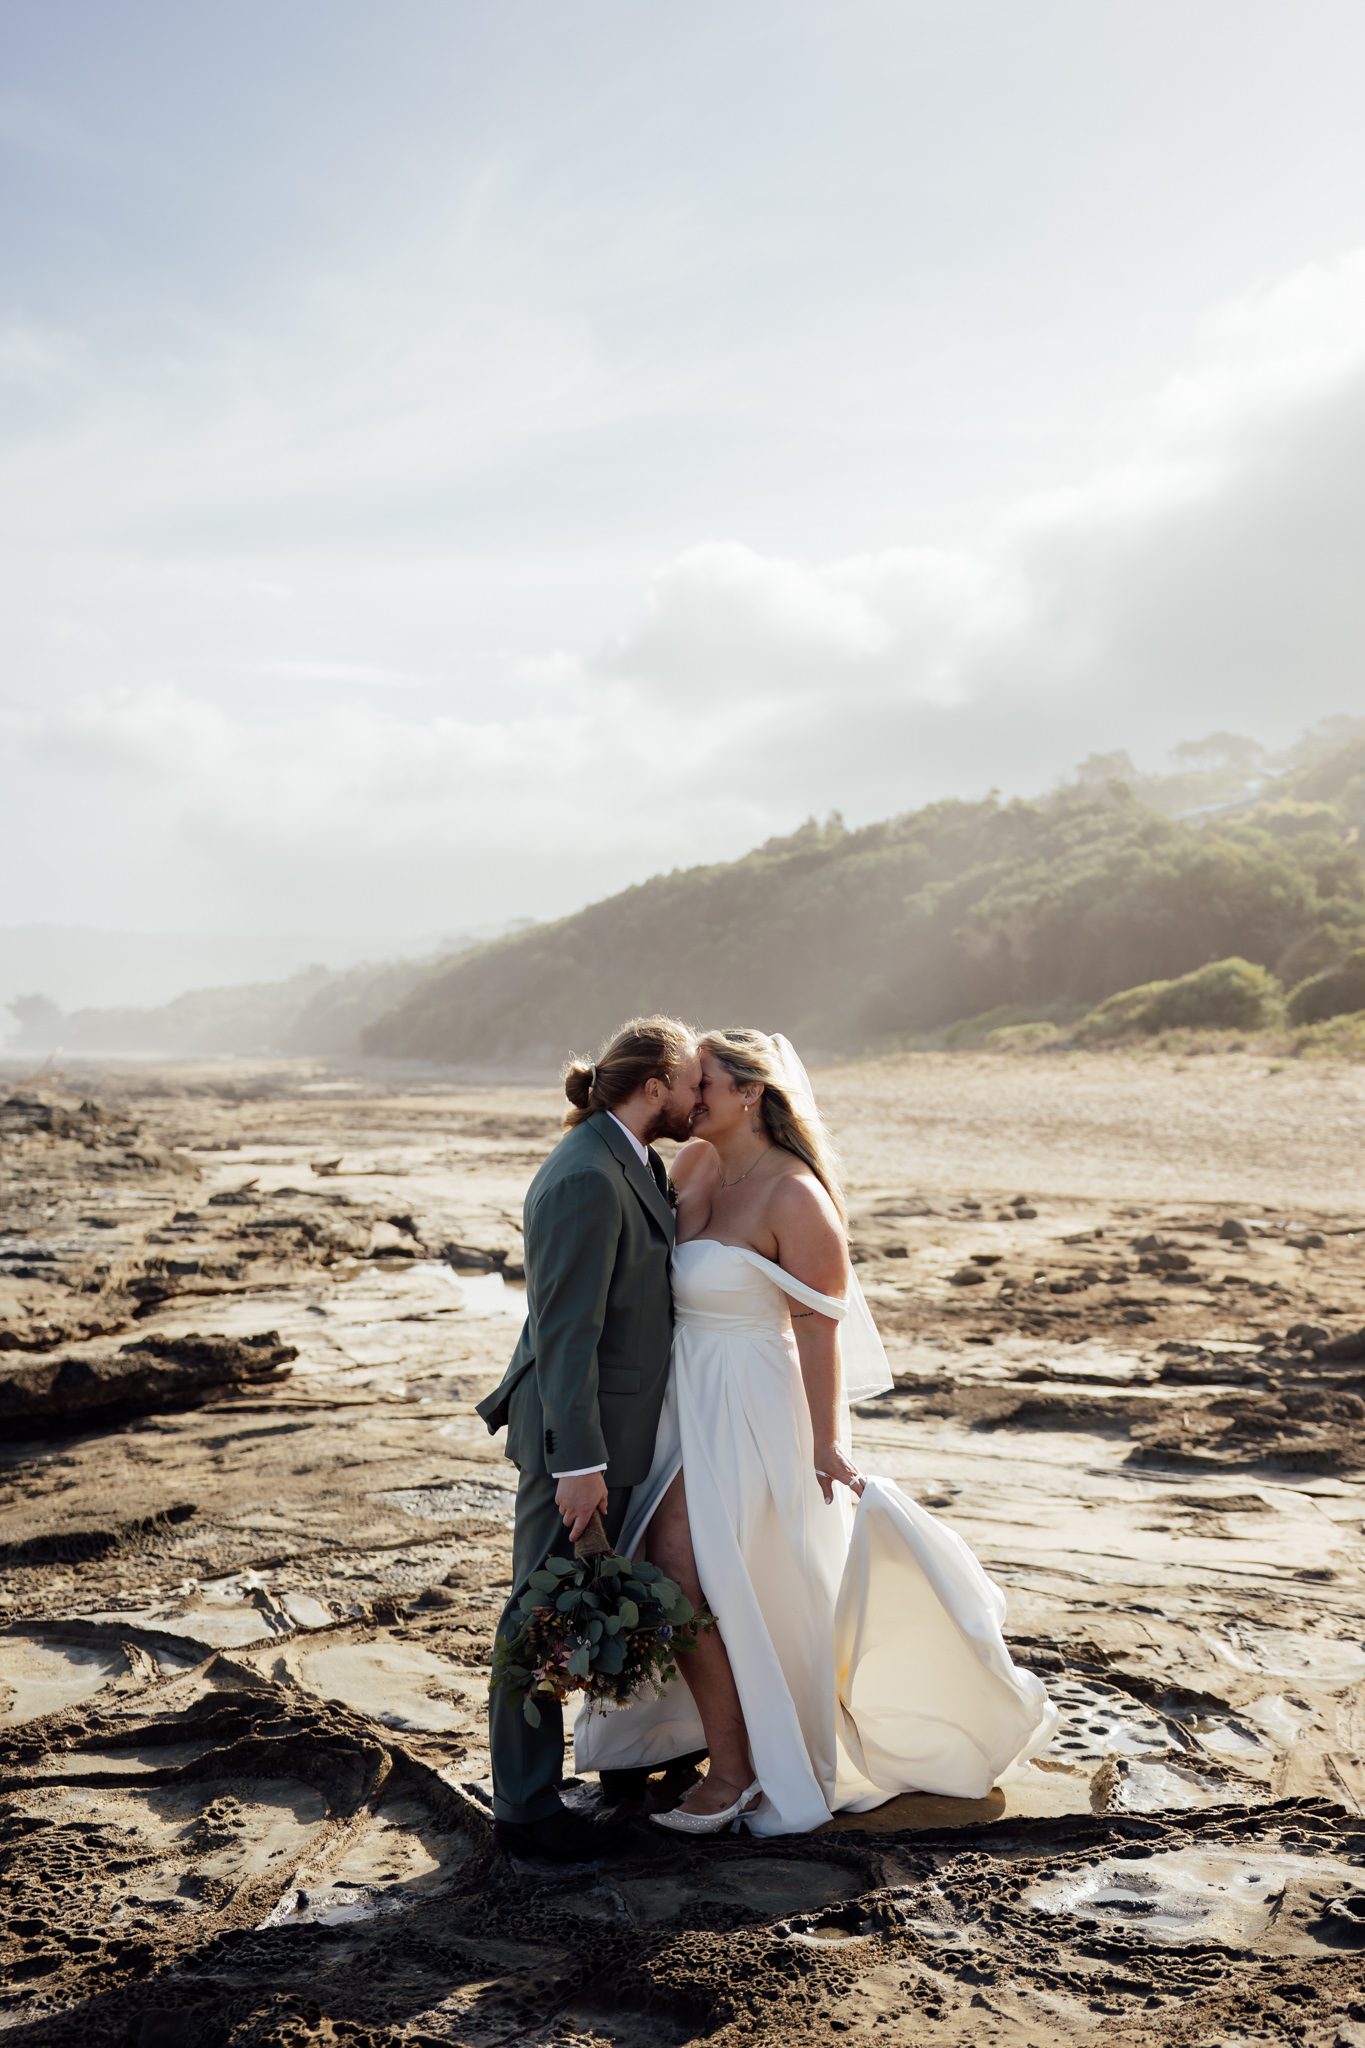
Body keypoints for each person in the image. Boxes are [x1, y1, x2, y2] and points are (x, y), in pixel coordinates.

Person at [574, 1028, 1058, 1836]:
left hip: (749, 1403)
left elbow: (818, 1329)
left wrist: (825, 1442)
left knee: (677, 1567)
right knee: (710, 1582)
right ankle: (712, 1744)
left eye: (702, 1085)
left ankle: (735, 1770)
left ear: (748, 1094)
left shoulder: (795, 1196)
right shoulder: (691, 1166)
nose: (688, 1100)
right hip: (677, 1399)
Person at [476, 1014, 703, 1861]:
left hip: (619, 1430)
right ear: (654, 1088)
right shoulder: (581, 1176)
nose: (697, 1098)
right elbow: (563, 1334)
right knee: (536, 1614)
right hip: (574, 1440)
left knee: (591, 1598)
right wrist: (578, 1465)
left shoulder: (633, 1157)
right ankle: (526, 1809)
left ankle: (620, 1763)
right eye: (689, 1084)